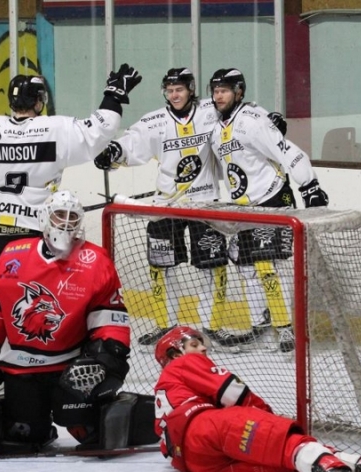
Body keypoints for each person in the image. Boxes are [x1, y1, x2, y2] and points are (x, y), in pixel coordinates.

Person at [93, 67, 287, 348]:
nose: (174, 95)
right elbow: (132, 143)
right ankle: (165, 325)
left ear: (191, 89)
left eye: (179, 89)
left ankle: (212, 326)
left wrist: (270, 120)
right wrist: (113, 153)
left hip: (204, 204)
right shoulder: (155, 121)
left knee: (214, 268)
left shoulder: (210, 110)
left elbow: (244, 110)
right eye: (169, 90)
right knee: (160, 269)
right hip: (166, 206)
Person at [0, 191, 156, 455]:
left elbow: (109, 313)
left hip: (71, 367)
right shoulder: (13, 254)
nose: (66, 223)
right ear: (44, 218)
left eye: (73, 217)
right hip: (21, 367)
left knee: (90, 432)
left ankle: (124, 409)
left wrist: (111, 352)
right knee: (21, 438)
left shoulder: (94, 260)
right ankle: (34, 422)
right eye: (60, 215)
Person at [152, 327, 361, 472]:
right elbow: (234, 394)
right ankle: (335, 470)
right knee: (286, 440)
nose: (202, 348)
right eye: (193, 344)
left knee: (288, 462)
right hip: (204, 429)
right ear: (176, 354)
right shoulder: (181, 365)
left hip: (198, 465)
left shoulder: (165, 389)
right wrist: (269, 419)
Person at [0, 64, 142, 288]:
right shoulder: (55, 128)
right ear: (37, 101)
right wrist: (114, 94)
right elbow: (101, 129)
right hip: (36, 225)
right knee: (36, 291)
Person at [208, 68, 329, 352]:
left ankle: (286, 330)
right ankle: (261, 327)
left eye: (224, 90)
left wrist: (309, 186)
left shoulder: (251, 122)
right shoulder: (217, 128)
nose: (218, 96)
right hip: (244, 207)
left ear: (238, 92)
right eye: (215, 91)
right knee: (246, 266)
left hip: (272, 198)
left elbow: (290, 152)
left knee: (266, 267)